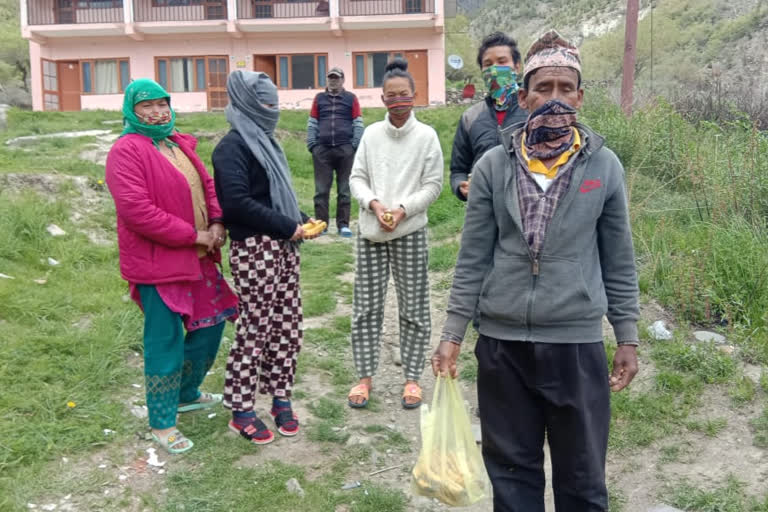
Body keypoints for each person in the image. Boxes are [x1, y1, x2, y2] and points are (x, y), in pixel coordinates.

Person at [432, 31, 641, 511]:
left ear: (581, 97)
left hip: (576, 345)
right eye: (543, 88)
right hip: (503, 348)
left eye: (566, 88)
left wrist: (626, 334)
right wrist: (453, 331)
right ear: (523, 97)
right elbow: (473, 257)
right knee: (511, 476)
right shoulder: (491, 167)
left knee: (583, 479)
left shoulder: (604, 167)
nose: (555, 99)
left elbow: (618, 257)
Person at [105, 78, 238, 454]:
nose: (157, 112)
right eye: (147, 106)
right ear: (133, 110)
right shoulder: (125, 151)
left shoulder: (176, 141)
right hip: (158, 263)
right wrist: (193, 235)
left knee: (210, 328)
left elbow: (207, 185)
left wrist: (215, 221)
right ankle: (162, 423)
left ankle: (185, 393)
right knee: (165, 342)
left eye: (162, 104)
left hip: (199, 257)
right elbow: (138, 212)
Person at [213, 71, 317, 445]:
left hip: (283, 248)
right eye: (265, 104)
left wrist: (300, 219)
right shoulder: (232, 147)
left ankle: (280, 397)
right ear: (246, 102)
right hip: (254, 250)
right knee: (254, 330)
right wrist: (286, 225)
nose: (272, 110)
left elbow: (274, 195)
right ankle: (241, 410)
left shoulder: (266, 142)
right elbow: (236, 203)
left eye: (275, 103)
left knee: (288, 327)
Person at [347, 58, 443, 410]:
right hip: (371, 231)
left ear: (414, 96)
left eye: (404, 94)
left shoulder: (427, 137)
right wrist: (373, 204)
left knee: (414, 307)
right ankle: (364, 377)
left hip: (410, 231)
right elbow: (356, 177)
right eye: (392, 95)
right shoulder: (371, 135)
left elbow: (433, 185)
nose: (398, 100)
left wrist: (403, 209)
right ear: (383, 99)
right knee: (366, 307)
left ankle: (413, 379)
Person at [450, 31, 528, 201]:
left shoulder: (533, 110)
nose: (494, 69)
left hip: (526, 210)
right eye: (488, 64)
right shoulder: (470, 118)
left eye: (502, 62)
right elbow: (458, 171)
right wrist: (460, 186)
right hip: (483, 212)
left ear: (517, 66)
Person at [306, 66, 364, 238]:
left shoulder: (351, 99)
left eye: (336, 78)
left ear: (342, 80)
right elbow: (312, 123)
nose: (333, 80)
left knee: (345, 190)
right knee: (321, 191)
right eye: (331, 78)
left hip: (345, 149)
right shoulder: (319, 99)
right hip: (322, 150)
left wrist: (353, 145)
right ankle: (322, 225)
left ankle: (343, 225)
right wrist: (312, 145)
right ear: (327, 80)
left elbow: (358, 123)